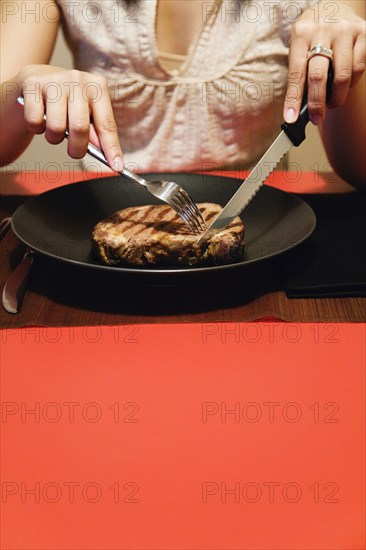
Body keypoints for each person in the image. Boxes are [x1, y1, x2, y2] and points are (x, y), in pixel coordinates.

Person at [0, 0, 365, 187]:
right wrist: (22, 88)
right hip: (96, 231)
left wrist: (350, 55)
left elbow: (358, 169)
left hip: (264, 236)